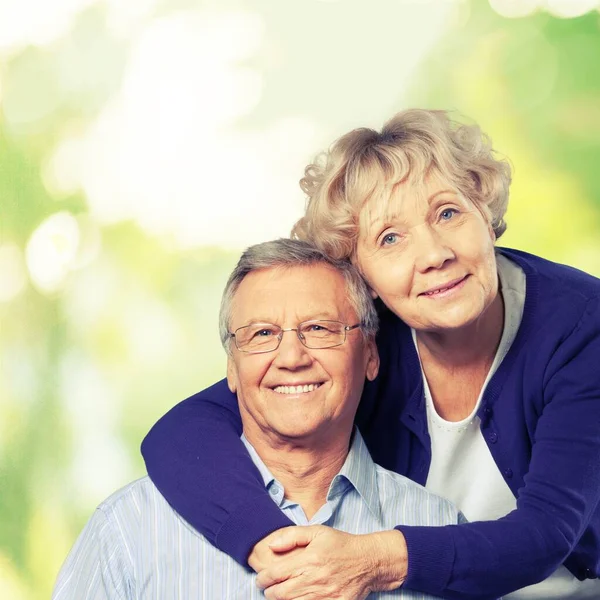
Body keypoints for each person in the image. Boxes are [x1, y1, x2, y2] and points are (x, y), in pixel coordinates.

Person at [141, 110, 600, 599]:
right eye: (390, 238)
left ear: (485, 215)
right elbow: (182, 432)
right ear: (361, 275)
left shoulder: (580, 329)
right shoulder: (362, 337)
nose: (433, 254)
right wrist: (274, 546)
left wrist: (373, 561)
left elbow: (545, 534)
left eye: (448, 212)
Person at [53, 239, 464, 600]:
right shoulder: (128, 531)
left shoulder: (440, 528)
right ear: (232, 367)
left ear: (370, 356)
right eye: (262, 334)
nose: (291, 358)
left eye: (319, 328)